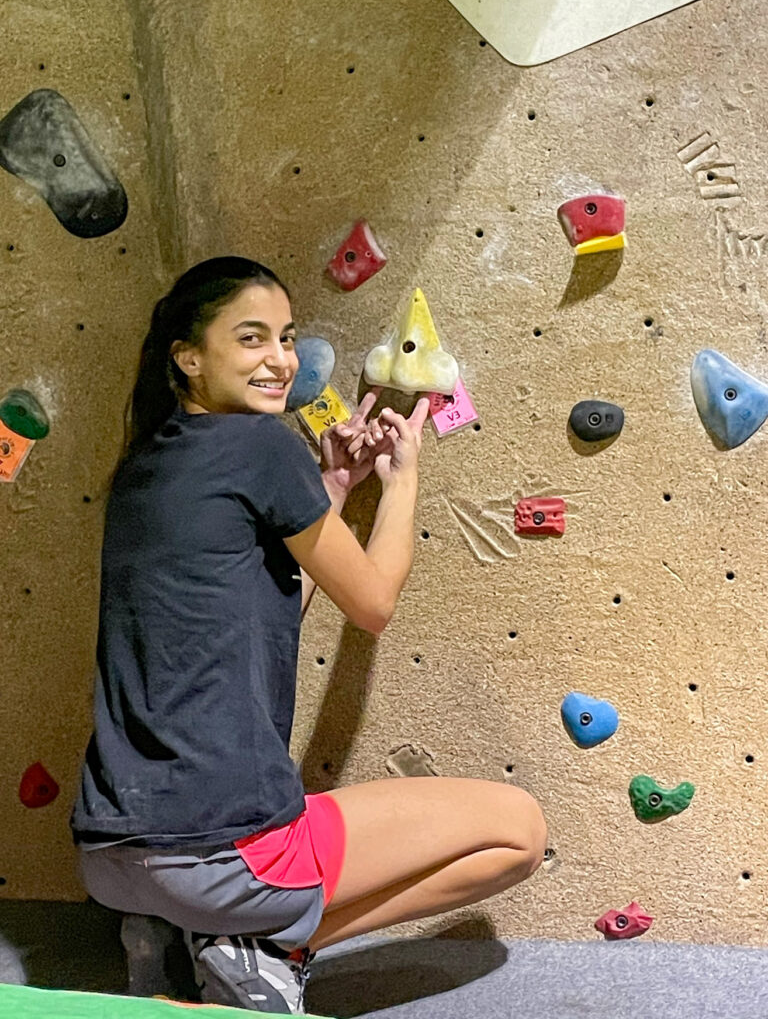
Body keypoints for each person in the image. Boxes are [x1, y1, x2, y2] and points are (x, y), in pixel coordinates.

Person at [70, 257, 547, 1014]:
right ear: (188, 357)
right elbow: (374, 604)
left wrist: (323, 494)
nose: (281, 360)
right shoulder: (261, 448)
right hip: (224, 852)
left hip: (110, 849)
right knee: (518, 830)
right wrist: (403, 480)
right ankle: (270, 943)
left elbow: (237, 625)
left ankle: (186, 924)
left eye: (287, 338)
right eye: (251, 338)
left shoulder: (145, 467)